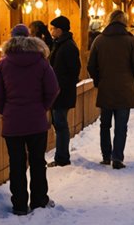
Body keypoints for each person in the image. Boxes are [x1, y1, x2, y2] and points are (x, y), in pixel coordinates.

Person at [0, 25, 59, 215]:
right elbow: (53, 89)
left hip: (13, 122)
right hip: (36, 122)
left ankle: (19, 205)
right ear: (29, 39)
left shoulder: (3, 64)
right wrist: (42, 108)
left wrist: (7, 111)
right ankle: (39, 200)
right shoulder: (41, 62)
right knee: (38, 162)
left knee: (16, 164)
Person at [87, 10, 134, 169]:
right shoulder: (131, 41)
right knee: (121, 125)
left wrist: (98, 80)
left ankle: (106, 155)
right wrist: (131, 78)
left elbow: (91, 65)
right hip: (125, 88)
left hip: (106, 87)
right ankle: (117, 157)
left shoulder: (99, 40)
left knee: (105, 124)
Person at [47, 15, 80, 168]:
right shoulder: (60, 44)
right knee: (59, 124)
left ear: (60, 30)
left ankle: (62, 157)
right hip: (58, 91)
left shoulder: (67, 46)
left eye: (53, 28)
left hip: (62, 92)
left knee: (60, 125)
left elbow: (74, 70)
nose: (51, 31)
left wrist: (61, 85)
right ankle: (61, 155)